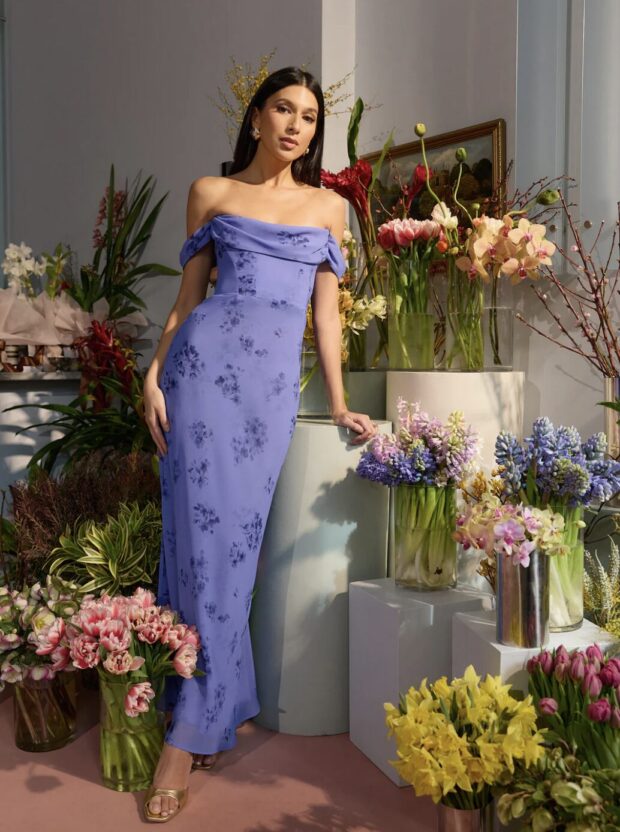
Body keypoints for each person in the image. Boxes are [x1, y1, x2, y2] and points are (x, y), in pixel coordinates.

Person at [142, 65, 377, 822]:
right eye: (283, 108)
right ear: (254, 118)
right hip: (200, 379)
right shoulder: (211, 196)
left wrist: (339, 404)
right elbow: (187, 304)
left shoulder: (329, 209)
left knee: (231, 556)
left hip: (268, 397)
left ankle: (209, 705)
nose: (295, 125)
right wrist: (153, 375)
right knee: (194, 550)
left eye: (308, 116)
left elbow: (327, 319)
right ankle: (186, 733)